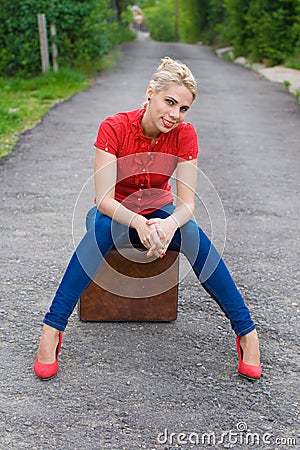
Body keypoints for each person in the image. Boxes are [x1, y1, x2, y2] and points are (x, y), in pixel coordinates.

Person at [34, 57, 262, 381]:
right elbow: (104, 201)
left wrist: (168, 225)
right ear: (150, 93)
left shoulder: (184, 135)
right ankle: (52, 329)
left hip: (161, 211)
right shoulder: (113, 127)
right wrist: (139, 223)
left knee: (194, 236)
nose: (174, 115)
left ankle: (246, 332)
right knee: (98, 230)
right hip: (116, 213)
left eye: (183, 109)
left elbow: (187, 205)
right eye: (169, 102)